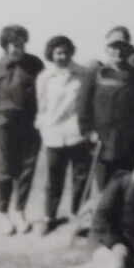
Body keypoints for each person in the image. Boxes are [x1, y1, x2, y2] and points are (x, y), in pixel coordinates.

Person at [77, 31, 134, 191]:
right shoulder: (96, 73)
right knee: (105, 189)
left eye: (122, 47)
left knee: (128, 187)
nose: (118, 52)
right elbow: (83, 107)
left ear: (128, 49)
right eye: (113, 47)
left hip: (130, 143)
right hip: (102, 143)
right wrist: (88, 133)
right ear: (106, 49)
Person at [0, 24, 44, 235]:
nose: (18, 48)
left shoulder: (35, 65)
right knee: (5, 171)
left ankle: (20, 210)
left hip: (30, 124)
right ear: (5, 46)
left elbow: (45, 92)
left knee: (27, 170)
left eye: (21, 44)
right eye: (13, 45)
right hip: (4, 125)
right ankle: (3, 213)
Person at [35, 34, 91, 233]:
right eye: (58, 53)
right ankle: (49, 217)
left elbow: (86, 105)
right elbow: (41, 107)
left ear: (71, 53)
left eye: (66, 52)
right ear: (51, 54)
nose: (62, 56)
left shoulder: (83, 74)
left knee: (80, 178)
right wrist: (44, 129)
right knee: (53, 179)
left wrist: (87, 130)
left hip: (77, 134)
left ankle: (78, 216)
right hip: (53, 135)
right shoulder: (44, 78)